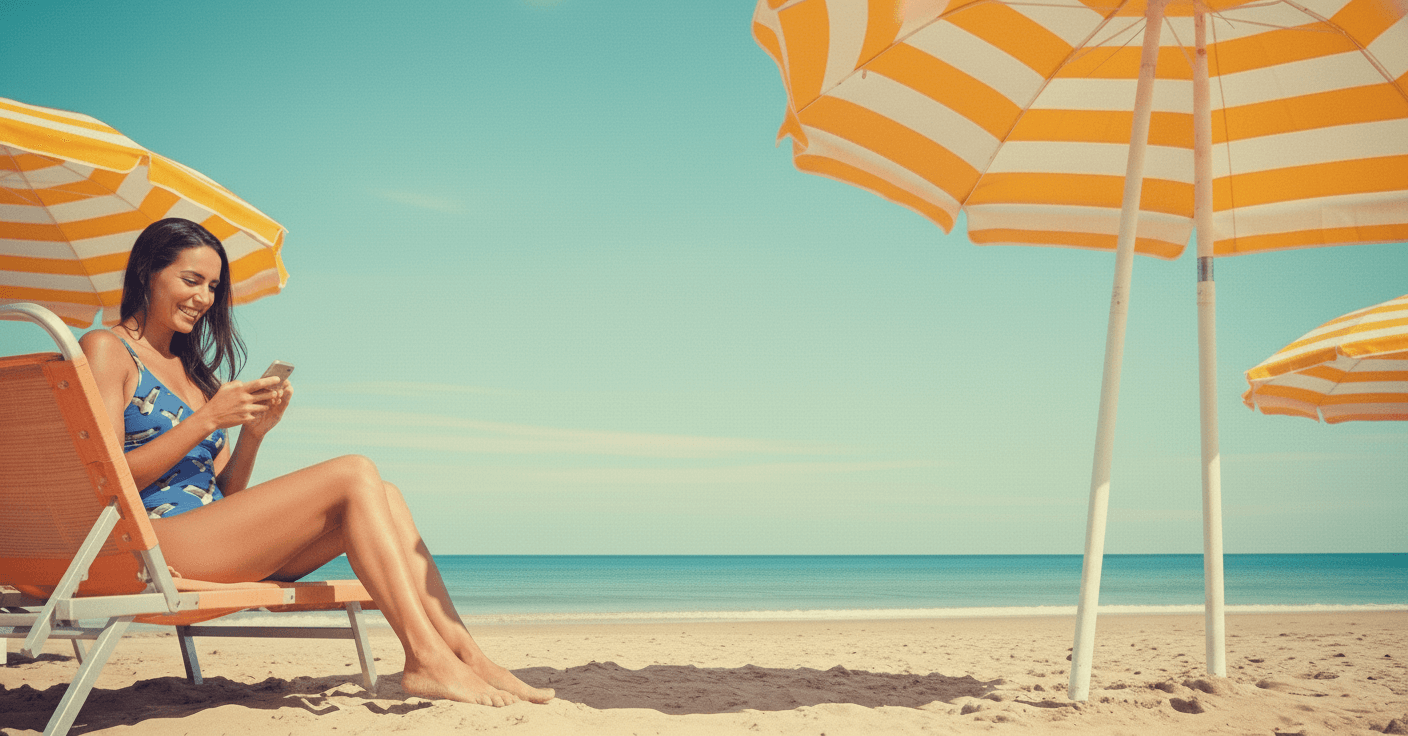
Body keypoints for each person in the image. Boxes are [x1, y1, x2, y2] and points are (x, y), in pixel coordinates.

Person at [80, 217, 552, 707]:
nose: (203, 298)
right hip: (152, 545)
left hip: (207, 540)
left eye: (213, 287)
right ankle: (425, 658)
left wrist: (252, 436)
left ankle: (466, 653)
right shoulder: (107, 349)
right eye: (191, 280)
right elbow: (105, 480)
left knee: (384, 495)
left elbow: (227, 498)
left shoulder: (195, 374)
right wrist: (205, 421)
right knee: (353, 470)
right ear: (147, 273)